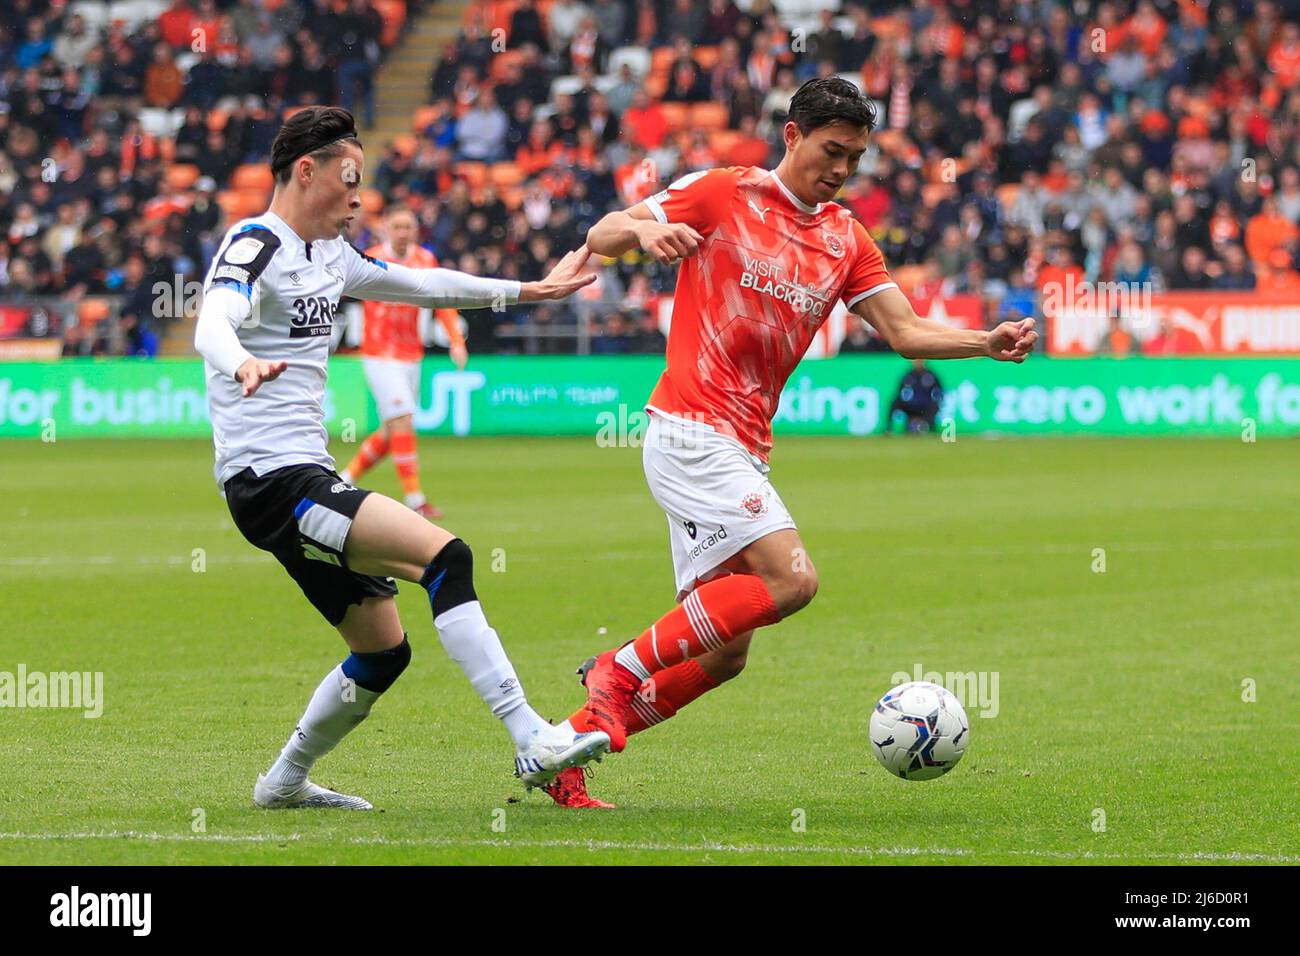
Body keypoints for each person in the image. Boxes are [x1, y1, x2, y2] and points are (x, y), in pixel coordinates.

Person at [546, 78, 1036, 808]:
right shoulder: (721, 193)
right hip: (689, 426)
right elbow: (604, 233)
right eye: (831, 151)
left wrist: (984, 340)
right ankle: (614, 673)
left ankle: (566, 750)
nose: (840, 169)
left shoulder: (844, 237)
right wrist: (645, 232)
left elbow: (904, 332)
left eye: (855, 159)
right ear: (792, 137)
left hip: (742, 445)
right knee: (793, 580)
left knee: (724, 655)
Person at [193, 107, 608, 809]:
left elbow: (422, 284)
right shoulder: (257, 242)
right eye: (349, 182)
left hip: (302, 478)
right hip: (271, 482)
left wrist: (527, 290)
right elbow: (212, 318)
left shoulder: (333, 256)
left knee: (384, 650)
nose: (359, 200)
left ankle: (283, 782)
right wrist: (240, 363)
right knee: (447, 557)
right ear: (306, 171)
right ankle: (531, 736)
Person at [338, 206, 467, 518]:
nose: (403, 232)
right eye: (397, 226)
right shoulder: (367, 257)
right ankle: (415, 501)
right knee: (404, 420)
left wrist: (456, 340)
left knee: (390, 430)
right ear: (386, 228)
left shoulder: (425, 260)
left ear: (416, 230)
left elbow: (442, 300)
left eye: (408, 226)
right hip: (379, 354)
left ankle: (342, 481)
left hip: (412, 355)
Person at [885, 359, 943, 433]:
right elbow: (899, 391)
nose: (918, 363)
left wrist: (936, 399)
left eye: (920, 360)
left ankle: (927, 426)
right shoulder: (908, 375)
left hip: (926, 405)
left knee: (935, 406)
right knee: (895, 402)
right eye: (916, 360)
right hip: (911, 405)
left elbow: (940, 391)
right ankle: (889, 429)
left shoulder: (931, 375)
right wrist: (904, 400)